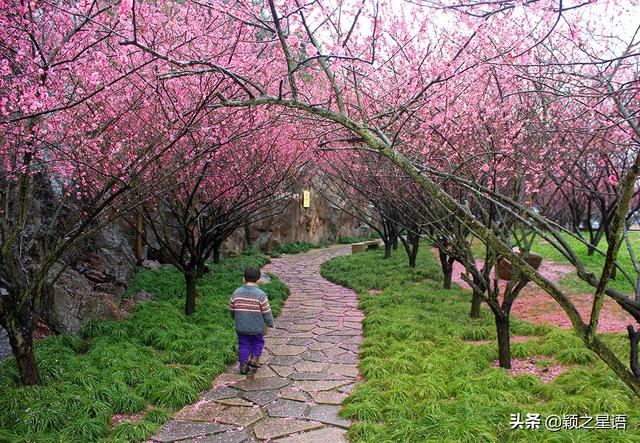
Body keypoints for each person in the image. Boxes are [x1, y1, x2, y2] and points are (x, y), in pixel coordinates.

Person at [229, 267, 274, 374]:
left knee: (243, 344)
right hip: (256, 327)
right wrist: (270, 323)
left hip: (241, 326)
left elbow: (232, 308)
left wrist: (234, 317)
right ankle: (254, 359)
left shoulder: (236, 293)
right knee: (258, 342)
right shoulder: (261, 295)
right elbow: (266, 312)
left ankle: (243, 365)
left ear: (243, 279)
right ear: (258, 280)